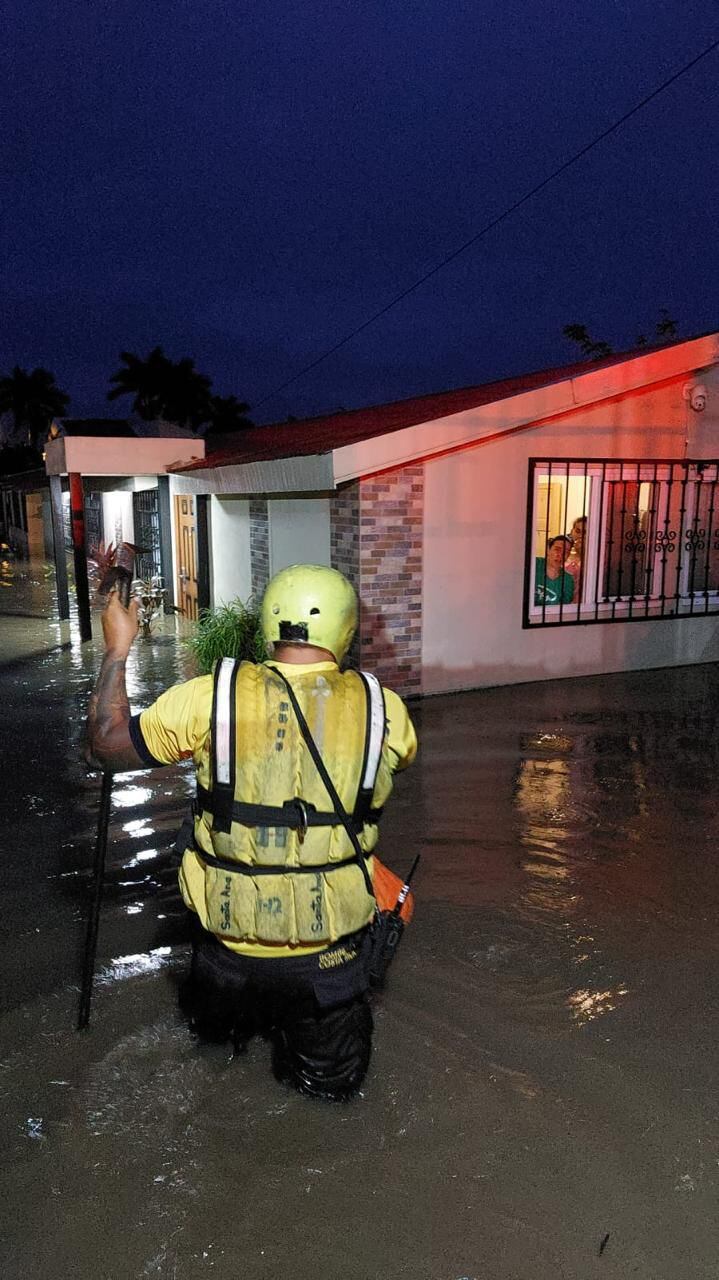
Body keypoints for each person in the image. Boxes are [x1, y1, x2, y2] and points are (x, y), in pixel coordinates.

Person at [86, 564, 417, 1101]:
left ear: (270, 624)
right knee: (328, 1096)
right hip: (327, 965)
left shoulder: (207, 697)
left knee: (212, 1061)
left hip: (225, 957)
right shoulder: (388, 714)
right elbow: (377, 777)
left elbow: (104, 747)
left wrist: (118, 647)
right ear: (346, 630)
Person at [534, 534, 574, 606]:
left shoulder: (568, 580)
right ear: (548, 550)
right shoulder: (535, 564)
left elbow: (563, 607)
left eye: (566, 552)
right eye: (557, 549)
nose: (561, 555)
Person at [564, 516, 587, 604]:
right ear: (572, 531)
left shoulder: (593, 557)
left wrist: (583, 553)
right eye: (577, 531)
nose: (580, 535)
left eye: (584, 532)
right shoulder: (564, 551)